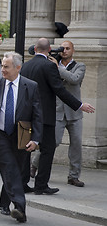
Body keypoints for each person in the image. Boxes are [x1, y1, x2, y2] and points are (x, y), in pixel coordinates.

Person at [20, 38, 95, 195]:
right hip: (46, 116)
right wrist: (80, 105)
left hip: (27, 114)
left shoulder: (25, 66)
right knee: (47, 149)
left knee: (26, 149)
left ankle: (23, 182)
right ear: (49, 50)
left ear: (35, 49)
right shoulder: (49, 66)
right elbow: (59, 90)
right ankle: (41, 185)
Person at [0, 52, 43, 223]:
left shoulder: (31, 86)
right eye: (2, 67)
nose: (3, 70)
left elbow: (37, 115)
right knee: (9, 167)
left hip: (21, 135)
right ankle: (20, 207)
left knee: (16, 171)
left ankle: (4, 202)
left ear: (18, 68)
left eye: (6, 67)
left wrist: (35, 139)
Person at [33, 41, 87, 187]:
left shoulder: (79, 66)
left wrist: (57, 68)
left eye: (68, 48)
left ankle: (74, 176)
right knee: (52, 143)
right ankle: (34, 166)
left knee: (76, 144)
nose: (64, 51)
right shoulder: (51, 64)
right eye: (62, 49)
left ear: (73, 51)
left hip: (74, 113)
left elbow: (75, 79)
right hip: (57, 111)